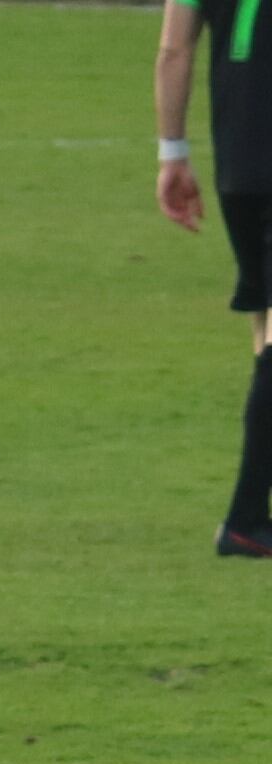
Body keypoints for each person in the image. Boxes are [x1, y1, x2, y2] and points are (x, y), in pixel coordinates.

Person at [158, 0, 272, 554]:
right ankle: (246, 520)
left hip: (240, 171)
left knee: (266, 326)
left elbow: (174, 49)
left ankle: (252, 519)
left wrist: (172, 153)